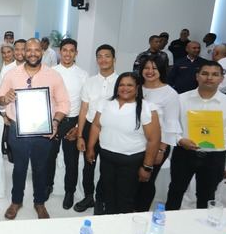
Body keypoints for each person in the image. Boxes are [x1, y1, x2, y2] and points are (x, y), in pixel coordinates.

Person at [0, 38, 70, 220]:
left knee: (40, 168)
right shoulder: (11, 74)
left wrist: (55, 122)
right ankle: (16, 201)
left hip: (44, 130)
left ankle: (39, 202)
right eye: (29, 50)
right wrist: (5, 99)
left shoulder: (53, 75)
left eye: (36, 50)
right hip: (17, 129)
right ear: (22, 52)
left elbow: (64, 103)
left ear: (42, 52)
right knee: (19, 168)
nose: (32, 53)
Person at [166, 61, 226, 210]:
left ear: (222, 79)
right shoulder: (180, 99)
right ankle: (167, 223)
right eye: (205, 73)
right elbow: (170, 125)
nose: (209, 78)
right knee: (175, 191)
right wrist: (179, 140)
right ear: (197, 76)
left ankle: (202, 230)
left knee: (207, 196)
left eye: (215, 74)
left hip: (214, 157)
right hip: (184, 153)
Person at [86, 72, 160, 214]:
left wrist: (147, 167)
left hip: (131, 161)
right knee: (107, 192)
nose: (125, 88)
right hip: (106, 157)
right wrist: (90, 148)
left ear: (137, 87)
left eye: (130, 85)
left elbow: (154, 139)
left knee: (125, 197)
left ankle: (121, 228)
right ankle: (107, 220)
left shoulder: (147, 107)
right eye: (121, 85)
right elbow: (96, 125)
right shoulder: (105, 103)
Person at [75, 44, 119, 214]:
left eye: (107, 56)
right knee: (88, 164)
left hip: (112, 131)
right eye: (99, 56)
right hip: (89, 128)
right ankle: (88, 196)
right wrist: (80, 135)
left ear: (114, 59)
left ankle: (104, 198)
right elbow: (84, 109)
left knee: (108, 167)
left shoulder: (121, 82)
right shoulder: (90, 82)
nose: (103, 59)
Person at [46, 38, 88, 209]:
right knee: (49, 157)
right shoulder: (51, 72)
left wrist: (78, 127)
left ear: (76, 53)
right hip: (53, 121)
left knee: (72, 161)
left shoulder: (83, 75)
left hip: (72, 122)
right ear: (60, 52)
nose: (68, 54)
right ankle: (47, 186)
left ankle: (69, 191)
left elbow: (86, 104)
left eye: (72, 50)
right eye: (65, 50)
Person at [135, 56, 181, 211]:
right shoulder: (136, 87)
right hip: (135, 142)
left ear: (161, 70)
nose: (149, 71)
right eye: (146, 68)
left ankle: (141, 211)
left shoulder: (170, 93)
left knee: (147, 179)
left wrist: (161, 149)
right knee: (134, 178)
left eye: (154, 68)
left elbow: (170, 124)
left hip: (157, 145)